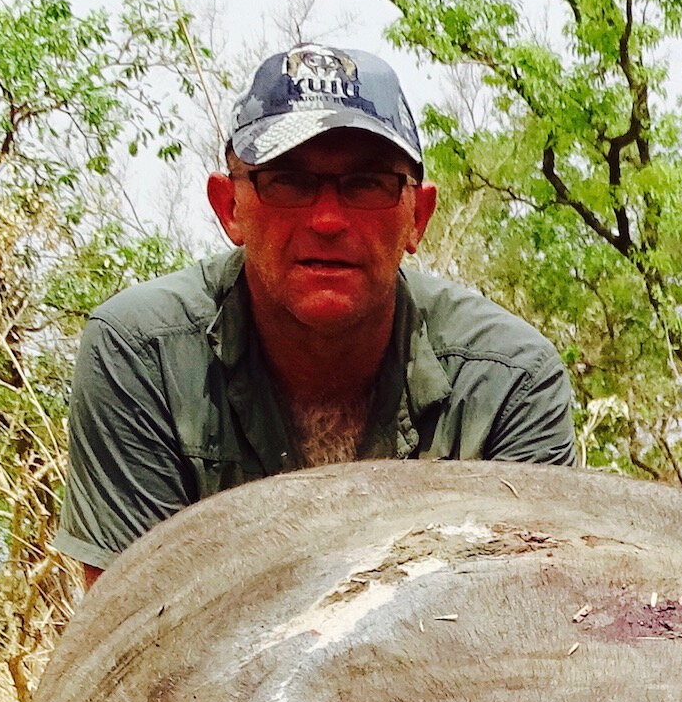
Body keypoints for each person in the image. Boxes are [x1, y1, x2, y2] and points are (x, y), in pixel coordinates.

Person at [56, 44, 576, 585]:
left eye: (367, 183)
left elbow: (525, 631)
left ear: (417, 217)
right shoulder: (140, 353)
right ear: (229, 207)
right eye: (288, 181)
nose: (327, 220)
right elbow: (129, 644)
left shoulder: (512, 380)